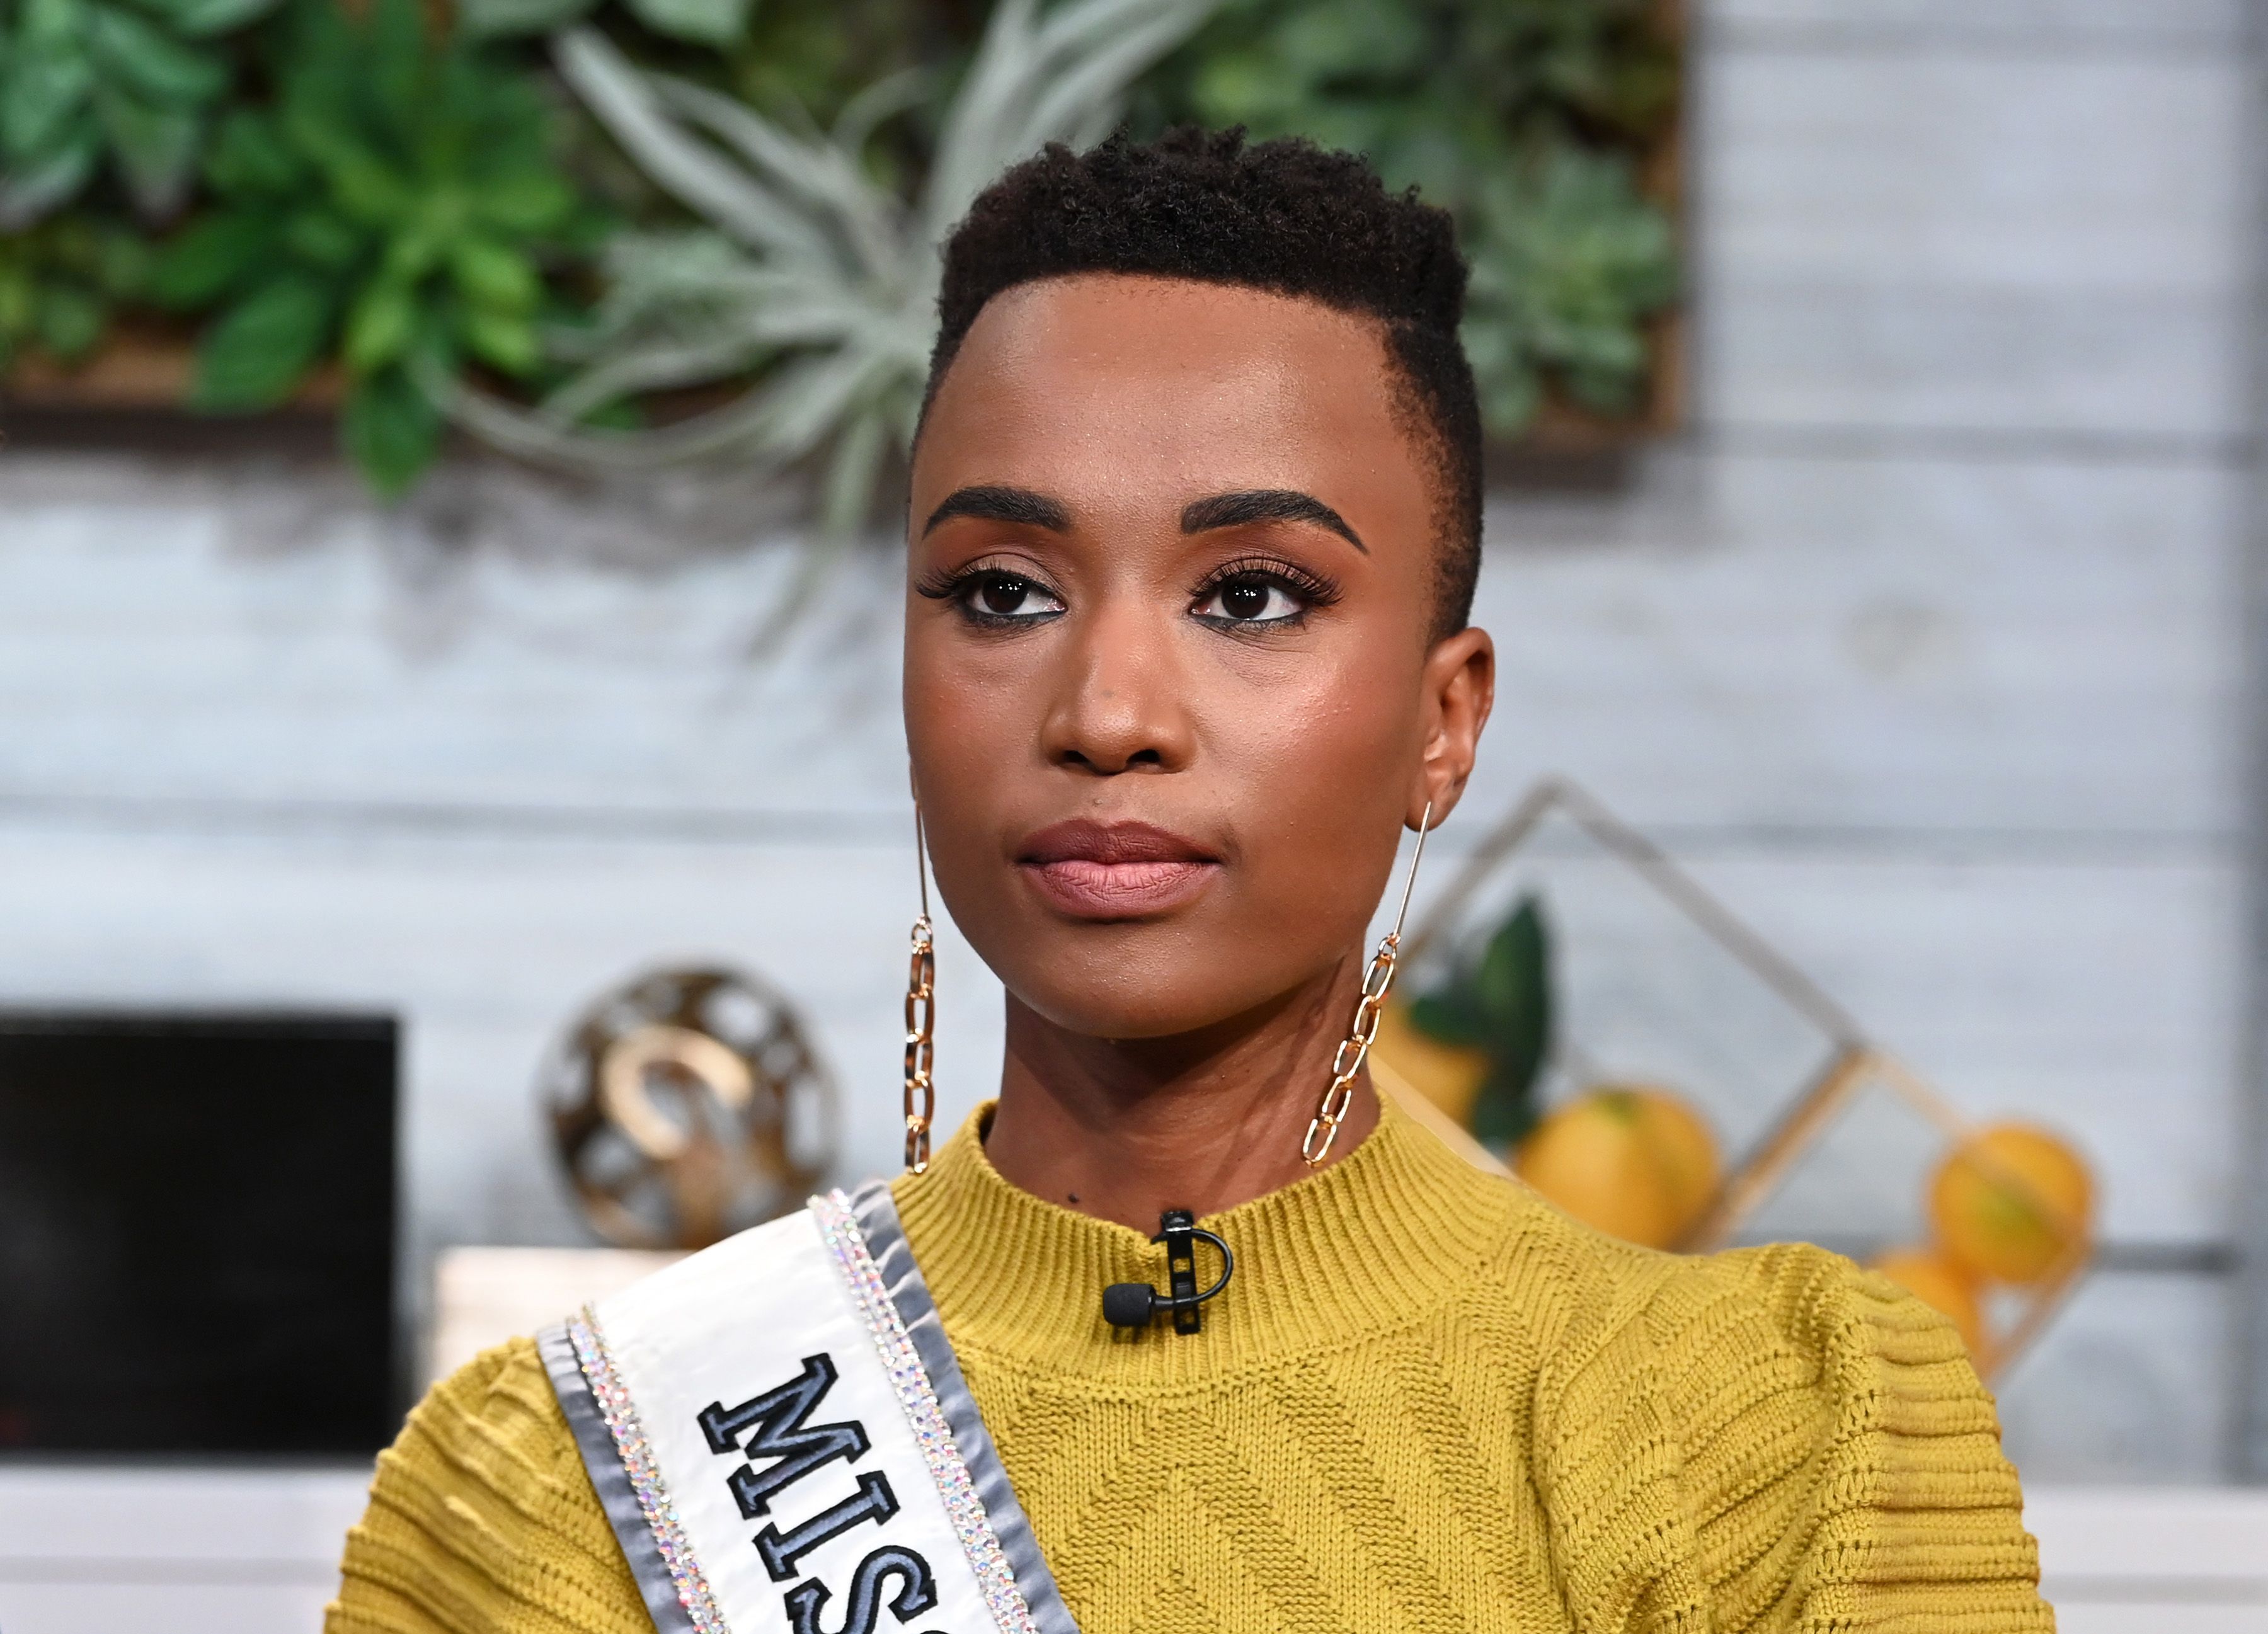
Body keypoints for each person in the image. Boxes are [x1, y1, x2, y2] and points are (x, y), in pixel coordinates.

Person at [327, 129, 2051, 1634]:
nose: (1110, 713)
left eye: (1253, 595)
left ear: (1445, 723)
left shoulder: (1775, 1443)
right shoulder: (559, 1491)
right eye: (1003, 588)